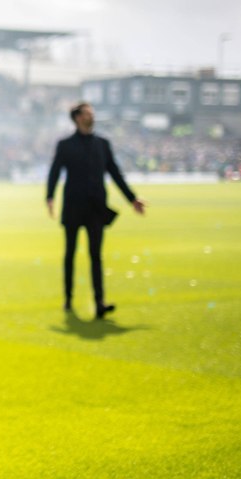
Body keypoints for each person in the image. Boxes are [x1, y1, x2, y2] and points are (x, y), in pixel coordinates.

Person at [46, 102, 145, 318]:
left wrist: (132, 199)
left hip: (95, 208)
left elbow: (116, 173)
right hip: (73, 207)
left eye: (92, 112)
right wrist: (50, 196)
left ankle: (99, 302)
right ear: (77, 118)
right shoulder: (65, 145)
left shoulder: (102, 144)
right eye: (88, 113)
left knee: (96, 256)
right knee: (69, 255)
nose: (92, 115)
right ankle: (68, 299)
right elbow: (54, 172)